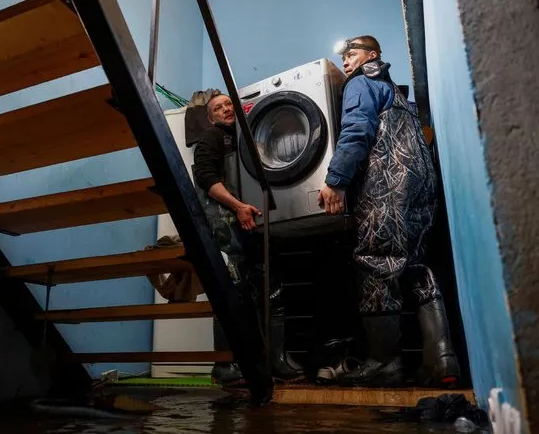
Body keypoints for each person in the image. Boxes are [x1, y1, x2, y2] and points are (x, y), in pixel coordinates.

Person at [318, 36, 460, 387]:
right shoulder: (401, 97)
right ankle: (441, 360)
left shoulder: (361, 84)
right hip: (423, 188)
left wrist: (336, 180)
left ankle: (383, 362)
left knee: (377, 262)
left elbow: (357, 130)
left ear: (373, 56)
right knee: (415, 266)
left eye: (353, 54)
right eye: (345, 57)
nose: (347, 62)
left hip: (386, 187)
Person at [192, 93, 304, 384]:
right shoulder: (211, 138)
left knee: (272, 290)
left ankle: (275, 361)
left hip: (252, 222)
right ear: (210, 116)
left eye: (229, 104)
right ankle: (226, 367)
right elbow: (206, 178)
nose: (226, 109)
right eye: (218, 107)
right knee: (232, 294)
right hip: (226, 224)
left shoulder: (248, 137)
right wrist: (238, 206)